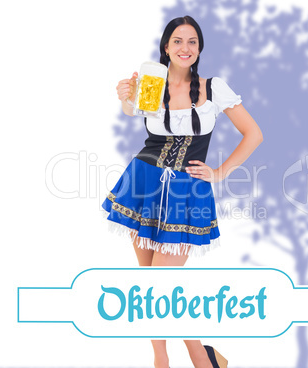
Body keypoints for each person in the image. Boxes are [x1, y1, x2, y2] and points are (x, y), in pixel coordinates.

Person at [102, 15, 263, 368]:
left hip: (185, 194)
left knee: (160, 284)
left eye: (192, 41)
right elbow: (132, 112)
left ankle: (195, 356)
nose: (185, 48)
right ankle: (167, 358)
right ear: (166, 47)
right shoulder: (150, 83)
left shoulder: (212, 88)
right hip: (143, 183)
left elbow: (253, 134)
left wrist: (219, 173)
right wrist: (124, 97)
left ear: (200, 48)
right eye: (178, 41)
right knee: (151, 288)